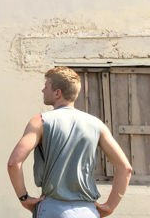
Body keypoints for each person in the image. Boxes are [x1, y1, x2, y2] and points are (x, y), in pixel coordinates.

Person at [7, 67, 133, 218]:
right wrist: (110, 206)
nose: (42, 90)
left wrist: (24, 198)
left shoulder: (40, 121)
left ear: (57, 93)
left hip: (52, 209)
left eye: (46, 87)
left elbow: (14, 163)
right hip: (88, 211)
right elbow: (125, 168)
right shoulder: (97, 124)